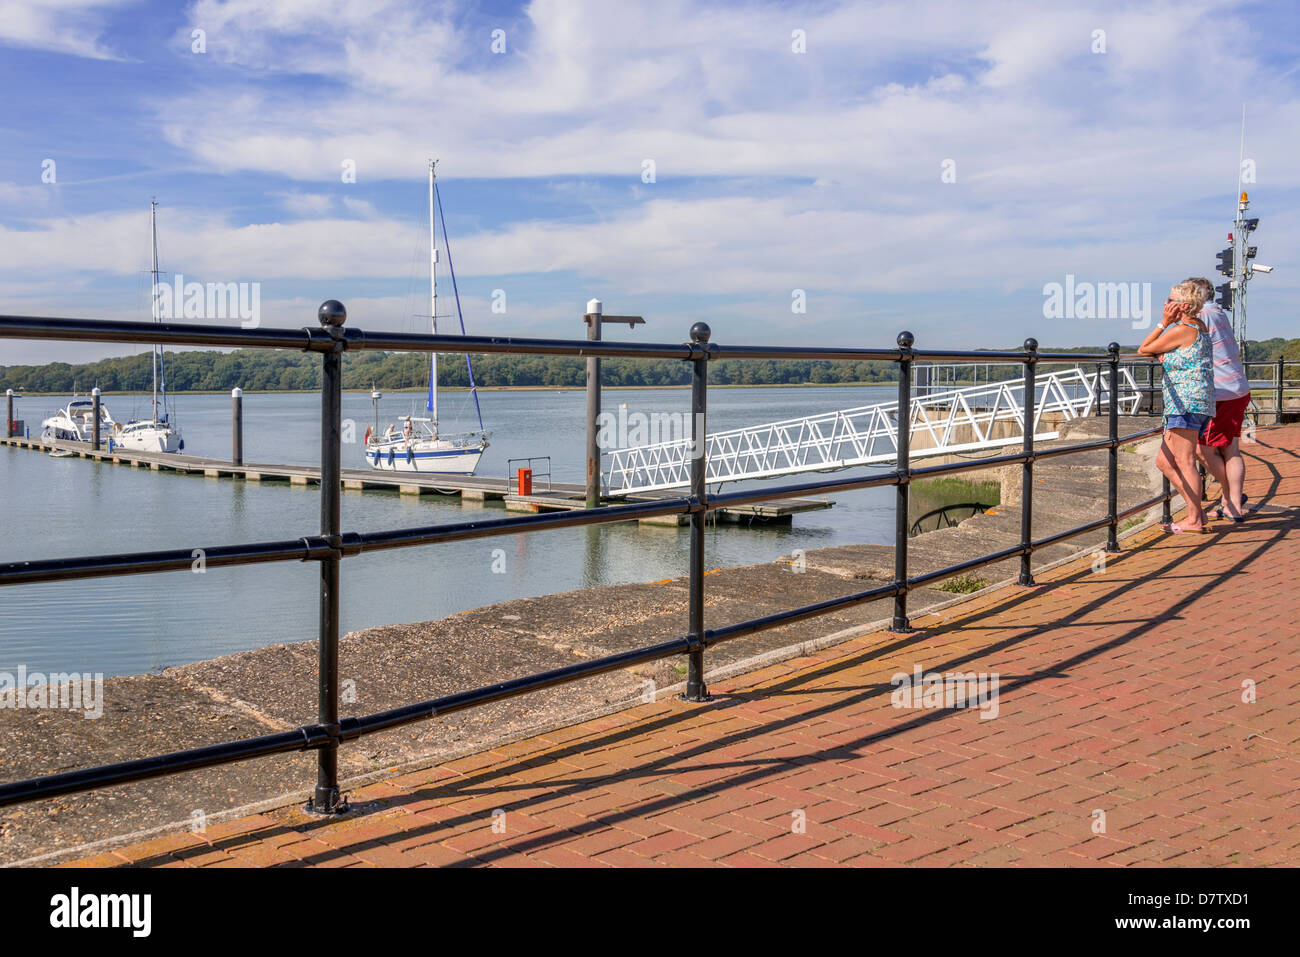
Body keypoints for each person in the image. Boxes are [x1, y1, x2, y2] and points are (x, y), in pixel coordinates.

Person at [1137, 280, 1216, 533]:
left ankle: (1194, 519)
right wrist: (1167, 354)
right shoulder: (1199, 326)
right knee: (1164, 461)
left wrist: (1163, 323)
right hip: (1195, 402)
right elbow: (1181, 354)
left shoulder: (1181, 329)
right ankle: (1198, 513)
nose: (1165, 303)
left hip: (1185, 403)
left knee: (1185, 461)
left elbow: (1143, 349)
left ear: (1182, 305)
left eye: (1170, 300)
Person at [1188, 277, 1252, 522]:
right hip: (1237, 388)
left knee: (1203, 450)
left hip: (1220, 392)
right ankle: (1232, 501)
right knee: (1231, 449)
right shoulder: (1219, 313)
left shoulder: (1201, 317)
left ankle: (1232, 501)